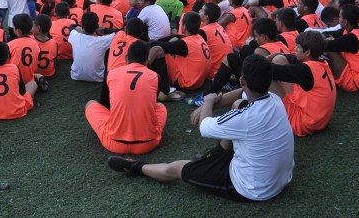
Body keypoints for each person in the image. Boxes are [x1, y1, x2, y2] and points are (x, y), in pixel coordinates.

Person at [107, 54, 294, 203]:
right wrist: (209, 103)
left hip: (252, 188)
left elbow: (204, 127)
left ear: (242, 79)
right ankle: (216, 155)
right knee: (238, 103)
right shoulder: (274, 99)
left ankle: (134, 167)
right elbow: (241, 93)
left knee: (177, 168)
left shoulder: (246, 118)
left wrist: (208, 102)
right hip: (280, 178)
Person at [86, 41, 167, 154]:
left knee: (90, 104)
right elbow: (151, 106)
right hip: (148, 144)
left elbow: (105, 104)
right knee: (160, 107)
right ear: (147, 61)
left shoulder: (111, 73)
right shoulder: (155, 76)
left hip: (115, 143)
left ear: (126, 58)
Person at [268, 31, 337, 137]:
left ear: (307, 52)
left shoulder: (305, 70)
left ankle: (258, 110)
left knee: (266, 76)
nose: (295, 48)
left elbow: (269, 70)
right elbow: (290, 59)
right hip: (320, 120)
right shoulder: (320, 62)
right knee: (279, 59)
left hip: (304, 123)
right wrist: (277, 54)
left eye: (298, 47)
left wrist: (254, 62)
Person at [148, 12, 212, 91]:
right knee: (170, 44)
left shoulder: (184, 44)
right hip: (199, 81)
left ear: (184, 26)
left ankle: (164, 89)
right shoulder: (199, 37)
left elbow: (158, 45)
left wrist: (147, 43)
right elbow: (177, 37)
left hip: (186, 83)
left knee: (158, 50)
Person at [324, 5, 359, 92]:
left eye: (340, 17)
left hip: (357, 82)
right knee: (330, 44)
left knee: (330, 50)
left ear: (345, 22)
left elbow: (328, 45)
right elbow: (331, 33)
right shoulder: (354, 30)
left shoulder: (352, 37)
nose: (338, 19)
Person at [68, 12, 116, 82]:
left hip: (76, 76)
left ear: (82, 26)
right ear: (97, 26)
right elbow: (122, 32)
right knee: (108, 48)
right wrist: (105, 30)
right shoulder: (103, 40)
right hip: (98, 78)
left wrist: (82, 26)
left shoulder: (75, 36)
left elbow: (72, 26)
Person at [7, 14, 48, 91]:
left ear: (18, 31)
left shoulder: (10, 45)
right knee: (32, 83)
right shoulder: (35, 44)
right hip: (28, 79)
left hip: (13, 80)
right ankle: (35, 78)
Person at [32, 14, 59, 79]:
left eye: (32, 26)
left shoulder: (29, 40)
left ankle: (36, 76)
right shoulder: (54, 43)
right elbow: (55, 61)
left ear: (38, 28)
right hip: (49, 73)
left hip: (33, 73)